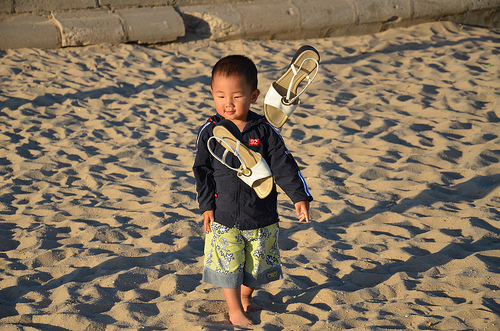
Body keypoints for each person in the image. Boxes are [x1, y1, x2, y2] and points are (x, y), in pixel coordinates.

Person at [193, 54, 312, 326]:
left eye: (236, 96)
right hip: (224, 214)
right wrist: (206, 206)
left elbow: (284, 165)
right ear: (212, 93)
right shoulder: (209, 131)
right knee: (229, 264)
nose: (228, 103)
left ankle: (246, 296)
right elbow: (202, 171)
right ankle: (234, 309)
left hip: (261, 214)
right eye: (220, 96)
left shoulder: (265, 130)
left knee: (255, 268)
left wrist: (299, 197)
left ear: (254, 95)